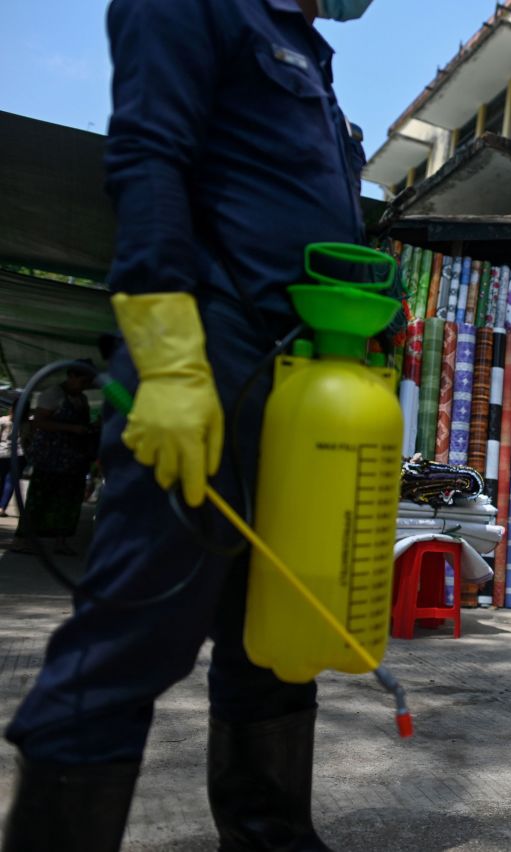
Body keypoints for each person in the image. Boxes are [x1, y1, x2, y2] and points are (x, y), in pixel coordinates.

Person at [2, 1, 376, 849]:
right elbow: (147, 158)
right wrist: (170, 359)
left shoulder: (305, 49)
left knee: (275, 636)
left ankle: (272, 837)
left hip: (300, 381)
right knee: (134, 635)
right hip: (210, 366)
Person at [12, 363, 99, 555]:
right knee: (41, 498)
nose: (84, 386)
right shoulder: (53, 394)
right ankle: (22, 539)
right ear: (72, 376)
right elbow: (40, 422)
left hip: (73, 459)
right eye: (83, 381)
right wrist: (72, 429)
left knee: (68, 500)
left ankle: (61, 541)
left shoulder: (81, 399)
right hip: (50, 457)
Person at [0, 403, 16, 517]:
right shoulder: (27, 422)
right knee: (10, 481)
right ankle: (2, 507)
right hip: (18, 456)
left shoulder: (3, 420)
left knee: (2, 479)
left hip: (2, 453)